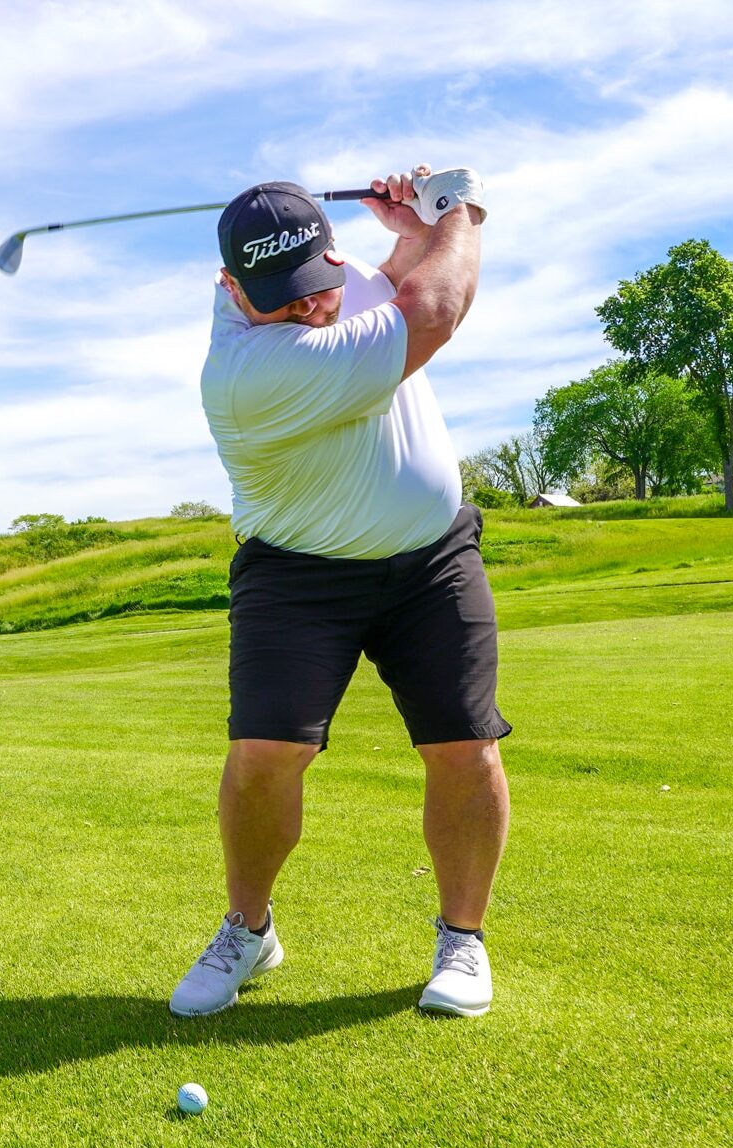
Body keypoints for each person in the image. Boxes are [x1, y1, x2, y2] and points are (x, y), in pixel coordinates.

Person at [169, 167, 510, 1019]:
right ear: (230, 288)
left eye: (316, 285)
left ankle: (462, 939)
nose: (309, 308)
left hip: (431, 559)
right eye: (281, 299)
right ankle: (249, 930)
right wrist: (459, 212)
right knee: (263, 757)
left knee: (464, 748)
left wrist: (409, 228)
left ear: (330, 254)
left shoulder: (336, 280)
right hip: (299, 572)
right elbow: (428, 312)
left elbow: (395, 285)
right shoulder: (246, 374)